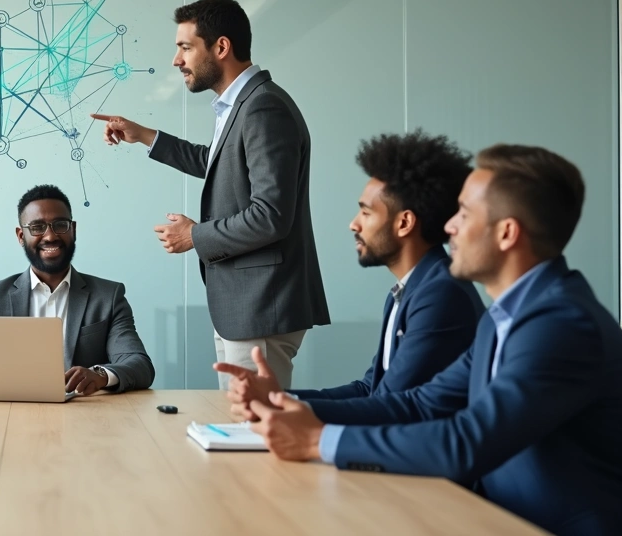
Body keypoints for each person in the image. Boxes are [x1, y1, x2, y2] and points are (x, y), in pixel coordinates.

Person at [240, 145, 622, 535]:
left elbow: (468, 441)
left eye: (465, 214)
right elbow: (422, 404)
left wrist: (318, 441)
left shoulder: (562, 324)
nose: (450, 226)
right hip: (491, 517)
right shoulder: (505, 317)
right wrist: (288, 405)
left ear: (507, 233)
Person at [91, 0, 327, 389]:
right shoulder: (243, 105)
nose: (176, 60)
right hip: (245, 305)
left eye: (185, 47)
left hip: (261, 305)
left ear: (221, 47)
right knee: (240, 431)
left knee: (254, 434)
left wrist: (193, 236)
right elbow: (220, 164)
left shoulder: (263, 108)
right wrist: (145, 136)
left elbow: (270, 215)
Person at [218, 131, 483, 411]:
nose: (354, 225)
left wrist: (288, 410)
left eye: (366, 213)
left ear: (404, 223)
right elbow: (371, 389)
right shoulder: (412, 289)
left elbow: (389, 406)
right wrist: (279, 398)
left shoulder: (440, 295)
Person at [0, 185, 154, 394]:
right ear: (21, 236)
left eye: (60, 225)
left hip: (86, 418)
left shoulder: (108, 297)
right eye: (37, 227)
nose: (50, 236)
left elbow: (139, 365)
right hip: (8, 418)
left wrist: (100, 375)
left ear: (73, 230)